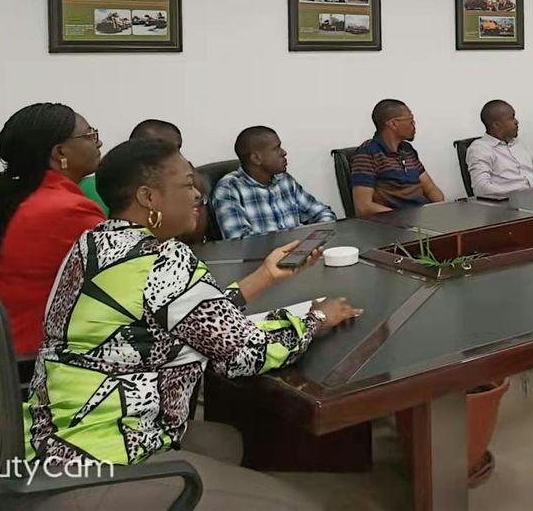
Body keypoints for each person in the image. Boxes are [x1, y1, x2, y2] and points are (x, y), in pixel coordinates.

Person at [24, 139, 362, 509]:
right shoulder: (163, 259)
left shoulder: (91, 244)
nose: (199, 195)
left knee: (227, 442)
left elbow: (186, 314)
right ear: (148, 197)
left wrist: (264, 276)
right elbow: (245, 354)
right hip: (103, 458)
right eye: (187, 184)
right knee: (302, 506)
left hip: (47, 440)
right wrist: (316, 318)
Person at [0, 103, 105, 355]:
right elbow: (122, 273)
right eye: (90, 135)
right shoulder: (68, 210)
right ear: (60, 152)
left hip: (3, 343)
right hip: (35, 352)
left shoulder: (18, 193)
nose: (99, 143)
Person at [210, 126, 337, 238]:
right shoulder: (229, 189)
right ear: (256, 158)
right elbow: (238, 240)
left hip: (300, 251)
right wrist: (292, 240)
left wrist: (313, 239)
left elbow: (322, 213)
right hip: (261, 257)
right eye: (276, 148)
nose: (284, 152)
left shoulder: (284, 180)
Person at [352, 100, 445, 215]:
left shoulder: (407, 150)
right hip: (393, 222)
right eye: (410, 119)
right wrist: (401, 219)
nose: (414, 124)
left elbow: (431, 189)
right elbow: (363, 207)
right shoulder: (368, 153)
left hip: (420, 217)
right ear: (393, 124)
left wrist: (441, 209)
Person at [80, 118, 182, 214]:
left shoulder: (171, 190)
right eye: (164, 151)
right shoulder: (93, 187)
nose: (177, 157)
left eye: (177, 150)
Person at [466, 100, 533, 198]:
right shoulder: (480, 149)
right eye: (512, 118)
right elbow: (481, 188)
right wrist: (517, 195)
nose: (516, 122)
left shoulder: (519, 143)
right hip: (508, 203)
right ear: (496, 125)